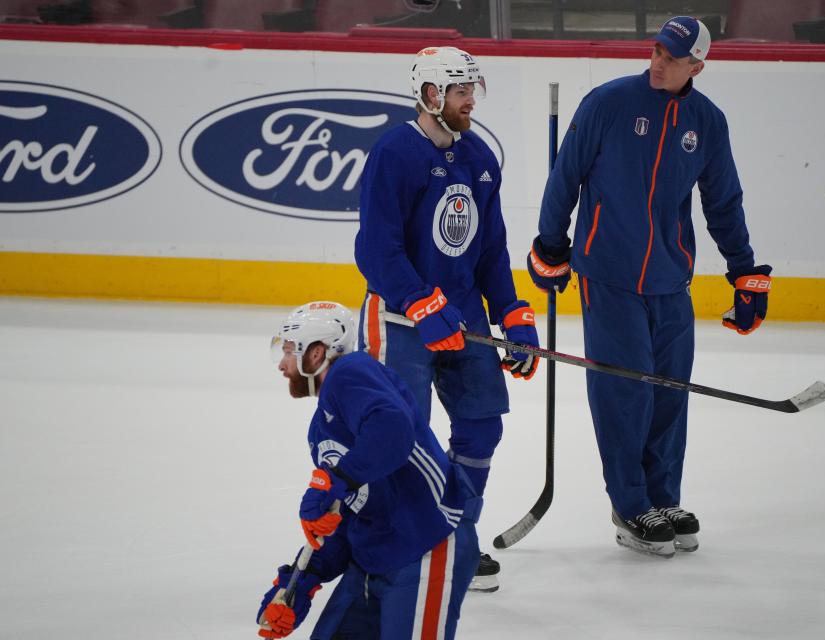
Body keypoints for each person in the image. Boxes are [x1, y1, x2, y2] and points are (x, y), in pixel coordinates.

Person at [528, 17, 773, 558]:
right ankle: (630, 503)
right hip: (607, 274)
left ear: (698, 67)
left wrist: (745, 271)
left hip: (669, 279)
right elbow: (565, 175)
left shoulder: (708, 122)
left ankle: (663, 496)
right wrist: (550, 244)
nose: (659, 62)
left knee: (669, 391)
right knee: (624, 391)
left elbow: (723, 201)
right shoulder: (608, 102)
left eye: (674, 57)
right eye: (657, 51)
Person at [354, 46, 539, 591]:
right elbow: (376, 250)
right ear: (431, 95)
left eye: (472, 92)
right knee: (402, 434)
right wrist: (417, 300)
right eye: (461, 92)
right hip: (400, 321)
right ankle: (402, 539)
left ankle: (458, 536)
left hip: (465, 318)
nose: (470, 103)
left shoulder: (479, 158)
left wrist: (512, 313)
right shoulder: (393, 153)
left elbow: (489, 250)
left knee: (482, 426)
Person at [256, 301, 482, 639]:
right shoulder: (321, 431)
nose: (282, 364)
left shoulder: (352, 371)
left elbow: (393, 430)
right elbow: (349, 512)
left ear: (316, 354)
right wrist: (301, 582)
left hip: (426, 545)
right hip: (373, 558)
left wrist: (337, 479)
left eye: (289, 351)